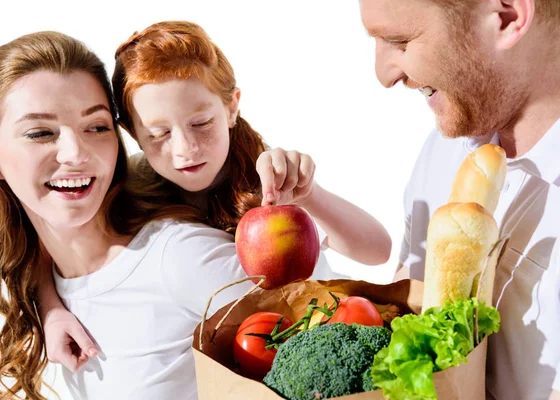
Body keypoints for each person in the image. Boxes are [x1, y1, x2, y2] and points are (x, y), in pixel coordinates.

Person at [32, 21, 392, 396]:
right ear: (130, 132)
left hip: (321, 331)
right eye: (159, 134)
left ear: (232, 106)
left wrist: (309, 194)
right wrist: (51, 307)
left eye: (201, 123)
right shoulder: (130, 185)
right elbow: (48, 232)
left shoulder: (263, 176)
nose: (185, 148)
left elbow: (377, 251)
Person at [359, 0, 560, 399]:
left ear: (507, 17)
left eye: (399, 41)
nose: (384, 75)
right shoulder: (451, 141)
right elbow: (408, 311)